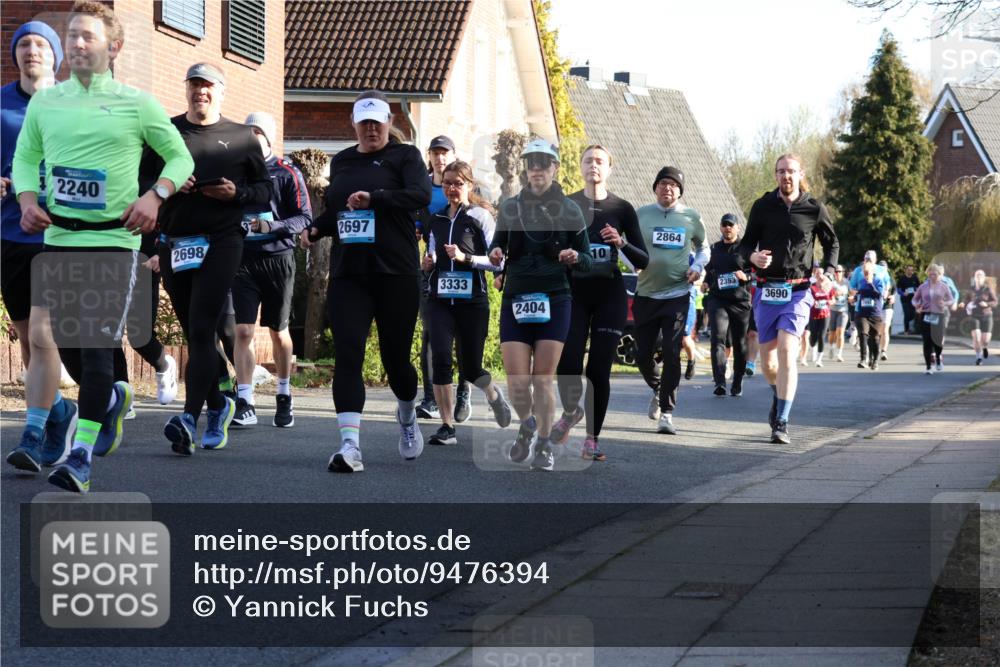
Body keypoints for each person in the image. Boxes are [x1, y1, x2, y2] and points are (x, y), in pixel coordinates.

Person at [7, 1, 194, 491]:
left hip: (112, 241)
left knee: (94, 351)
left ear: (114, 47)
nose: (76, 43)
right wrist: (27, 199)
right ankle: (110, 400)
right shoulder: (47, 102)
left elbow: (179, 158)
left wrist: (155, 196)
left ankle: (81, 457)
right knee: (64, 347)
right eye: (71, 35)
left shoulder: (137, 104)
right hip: (58, 238)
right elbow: (26, 158)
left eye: (87, 35)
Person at [301, 90, 431, 473]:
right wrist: (316, 228)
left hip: (395, 272)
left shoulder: (405, 156)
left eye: (377, 122)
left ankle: (406, 414)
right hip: (350, 274)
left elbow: (420, 195)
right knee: (348, 355)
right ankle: (349, 446)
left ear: (390, 122)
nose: (371, 129)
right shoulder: (341, 160)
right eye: (364, 122)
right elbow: (337, 211)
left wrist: (376, 198)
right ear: (354, 124)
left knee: (396, 361)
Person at [152, 63, 271, 455]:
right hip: (175, 242)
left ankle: (189, 418)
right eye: (194, 85)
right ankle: (219, 405)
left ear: (221, 92)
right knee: (194, 332)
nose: (200, 92)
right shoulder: (164, 132)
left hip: (222, 240)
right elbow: (139, 181)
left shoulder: (242, 137)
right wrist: (167, 184)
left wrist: (237, 193)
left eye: (208, 86)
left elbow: (264, 191)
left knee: (203, 326)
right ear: (186, 89)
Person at [488, 138, 591, 471]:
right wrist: (496, 254)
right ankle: (528, 424)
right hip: (516, 299)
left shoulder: (571, 210)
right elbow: (496, 246)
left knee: (542, 378)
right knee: (518, 381)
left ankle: (544, 445)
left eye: (543, 163)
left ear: (555, 168)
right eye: (530, 163)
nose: (536, 169)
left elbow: (588, 257)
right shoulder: (510, 207)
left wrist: (576, 256)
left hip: (555, 298)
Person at [552, 144, 648, 460]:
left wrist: (621, 243)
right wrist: (563, 255)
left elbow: (643, 260)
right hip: (575, 294)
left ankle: (592, 438)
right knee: (568, 364)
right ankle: (570, 412)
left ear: (609, 169)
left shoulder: (622, 209)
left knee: (598, 369)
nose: (593, 165)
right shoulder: (567, 205)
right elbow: (550, 248)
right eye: (588, 160)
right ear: (580, 167)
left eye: (599, 161)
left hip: (609, 295)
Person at [738, 154, 839, 445]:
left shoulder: (814, 208)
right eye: (781, 171)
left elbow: (832, 243)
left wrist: (828, 272)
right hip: (766, 290)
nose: (786, 176)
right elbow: (745, 245)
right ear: (776, 175)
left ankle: (781, 421)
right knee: (769, 364)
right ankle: (779, 394)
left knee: (786, 349)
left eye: (791, 171)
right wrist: (753, 257)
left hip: (798, 291)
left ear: (800, 174)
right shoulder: (762, 206)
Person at [229, 111, 312, 428]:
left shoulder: (288, 172)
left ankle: (284, 392)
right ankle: (245, 400)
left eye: (257, 133)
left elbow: (304, 217)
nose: (251, 139)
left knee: (279, 332)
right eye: (247, 133)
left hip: (278, 258)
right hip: (243, 259)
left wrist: (272, 226)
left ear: (268, 139)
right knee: (243, 331)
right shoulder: (235, 173)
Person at [420, 160, 511, 445]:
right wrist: (427, 264)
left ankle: (493, 395)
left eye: (458, 183)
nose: (451, 188)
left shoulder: (480, 217)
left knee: (471, 368)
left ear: (469, 185)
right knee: (441, 359)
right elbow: (431, 255)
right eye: (447, 183)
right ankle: (447, 426)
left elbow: (498, 263)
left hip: (472, 302)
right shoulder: (436, 219)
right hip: (440, 300)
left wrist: (466, 258)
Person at [1, 21, 61, 370]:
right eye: (24, 44)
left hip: (62, 232)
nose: (32, 51)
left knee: (43, 332)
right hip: (11, 229)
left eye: (41, 44)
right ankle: (47, 399)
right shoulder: (1, 104)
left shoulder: (75, 105)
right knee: (27, 335)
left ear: (55, 55)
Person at [634, 166, 708, 435]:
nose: (668, 187)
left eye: (674, 184)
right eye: (663, 183)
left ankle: (667, 413)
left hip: (677, 294)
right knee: (642, 355)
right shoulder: (641, 214)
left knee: (671, 352)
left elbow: (704, 248)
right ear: (655, 187)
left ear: (680, 191)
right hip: (646, 294)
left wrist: (697, 267)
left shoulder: (691, 217)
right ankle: (657, 387)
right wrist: (631, 262)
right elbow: (624, 245)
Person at [416, 135, 470, 421]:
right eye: (435, 153)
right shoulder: (421, 187)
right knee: (430, 335)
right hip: (432, 270)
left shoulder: (464, 188)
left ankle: (463, 391)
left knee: (462, 335)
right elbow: (414, 223)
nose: (439, 158)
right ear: (429, 156)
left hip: (463, 271)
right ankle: (430, 399)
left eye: (444, 153)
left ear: (453, 155)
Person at [703, 213, 750, 396]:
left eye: (731, 224)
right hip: (718, 299)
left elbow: (758, 271)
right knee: (717, 339)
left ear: (738, 227)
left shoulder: (746, 248)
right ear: (721, 227)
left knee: (740, 343)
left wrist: (746, 276)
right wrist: (706, 282)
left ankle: (737, 381)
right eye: (725, 224)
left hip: (740, 301)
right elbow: (710, 270)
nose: (728, 228)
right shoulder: (714, 248)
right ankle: (720, 382)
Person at [912, 263, 955, 374]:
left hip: (939, 315)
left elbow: (951, 299)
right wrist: (917, 306)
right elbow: (914, 299)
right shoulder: (923, 287)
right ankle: (928, 367)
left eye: (934, 274)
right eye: (930, 274)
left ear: (939, 275)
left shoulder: (944, 286)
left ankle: (938, 358)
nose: (932, 276)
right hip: (925, 314)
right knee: (927, 341)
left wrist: (945, 303)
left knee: (938, 341)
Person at [850, 259, 888, 370]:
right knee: (862, 334)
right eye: (864, 273)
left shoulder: (878, 281)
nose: (866, 275)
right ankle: (863, 359)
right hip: (862, 313)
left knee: (874, 339)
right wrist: (854, 298)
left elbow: (879, 295)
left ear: (872, 272)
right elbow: (861, 294)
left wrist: (871, 284)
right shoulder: (862, 282)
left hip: (875, 314)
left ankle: (874, 360)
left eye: (867, 273)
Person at [960, 269, 997, 365]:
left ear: (984, 278)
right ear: (974, 278)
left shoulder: (988, 289)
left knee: (985, 340)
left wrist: (987, 304)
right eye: (977, 275)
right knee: (976, 337)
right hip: (974, 316)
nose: (979, 277)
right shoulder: (971, 289)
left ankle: (985, 347)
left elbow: (995, 302)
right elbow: (966, 299)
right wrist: (963, 303)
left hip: (986, 316)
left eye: (981, 275)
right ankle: (978, 357)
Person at [805, 265, 836, 367]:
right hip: (813, 314)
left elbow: (833, 299)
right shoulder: (811, 287)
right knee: (813, 336)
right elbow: (807, 299)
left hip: (825, 314)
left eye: (821, 273)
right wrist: (812, 302)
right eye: (817, 273)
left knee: (821, 336)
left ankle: (819, 359)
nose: (819, 275)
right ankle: (813, 349)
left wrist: (830, 302)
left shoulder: (829, 286)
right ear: (815, 275)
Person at [827, 265, 850, 362]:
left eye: (840, 271)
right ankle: (831, 347)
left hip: (843, 310)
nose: (838, 273)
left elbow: (851, 293)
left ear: (843, 272)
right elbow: (826, 294)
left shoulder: (847, 282)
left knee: (840, 332)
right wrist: (834, 295)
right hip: (832, 310)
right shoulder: (831, 283)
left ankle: (839, 354)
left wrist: (851, 297)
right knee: (832, 333)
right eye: (836, 271)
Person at [877, 260, 895, 361]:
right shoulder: (875, 278)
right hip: (877, 306)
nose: (882, 269)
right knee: (878, 331)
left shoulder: (890, 279)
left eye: (884, 267)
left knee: (885, 329)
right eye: (880, 267)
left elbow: (894, 291)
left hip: (887, 306)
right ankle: (877, 348)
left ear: (887, 268)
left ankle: (883, 351)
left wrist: (893, 296)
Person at [897, 264, 920, 334]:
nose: (910, 271)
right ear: (905, 270)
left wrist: (916, 292)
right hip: (905, 299)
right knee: (907, 314)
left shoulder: (915, 278)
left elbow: (919, 288)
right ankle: (906, 330)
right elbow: (898, 290)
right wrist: (903, 293)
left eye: (911, 270)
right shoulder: (902, 278)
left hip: (913, 300)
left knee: (913, 314)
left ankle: (912, 329)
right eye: (908, 270)